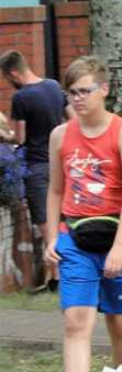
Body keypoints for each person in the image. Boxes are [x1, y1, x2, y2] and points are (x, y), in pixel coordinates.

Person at [39, 55, 122, 372]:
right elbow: (54, 189)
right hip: (75, 236)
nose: (78, 99)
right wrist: (52, 237)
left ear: (104, 89)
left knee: (121, 323)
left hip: (114, 232)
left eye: (85, 91)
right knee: (76, 320)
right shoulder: (61, 135)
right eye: (71, 92)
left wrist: (120, 246)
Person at [1, 49, 67, 291]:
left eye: (8, 79)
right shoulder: (52, 86)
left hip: (37, 167)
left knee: (45, 222)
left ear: (14, 73)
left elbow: (19, 137)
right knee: (63, 220)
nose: (9, 84)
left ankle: (56, 278)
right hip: (59, 162)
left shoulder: (21, 98)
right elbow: (69, 118)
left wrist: (4, 136)